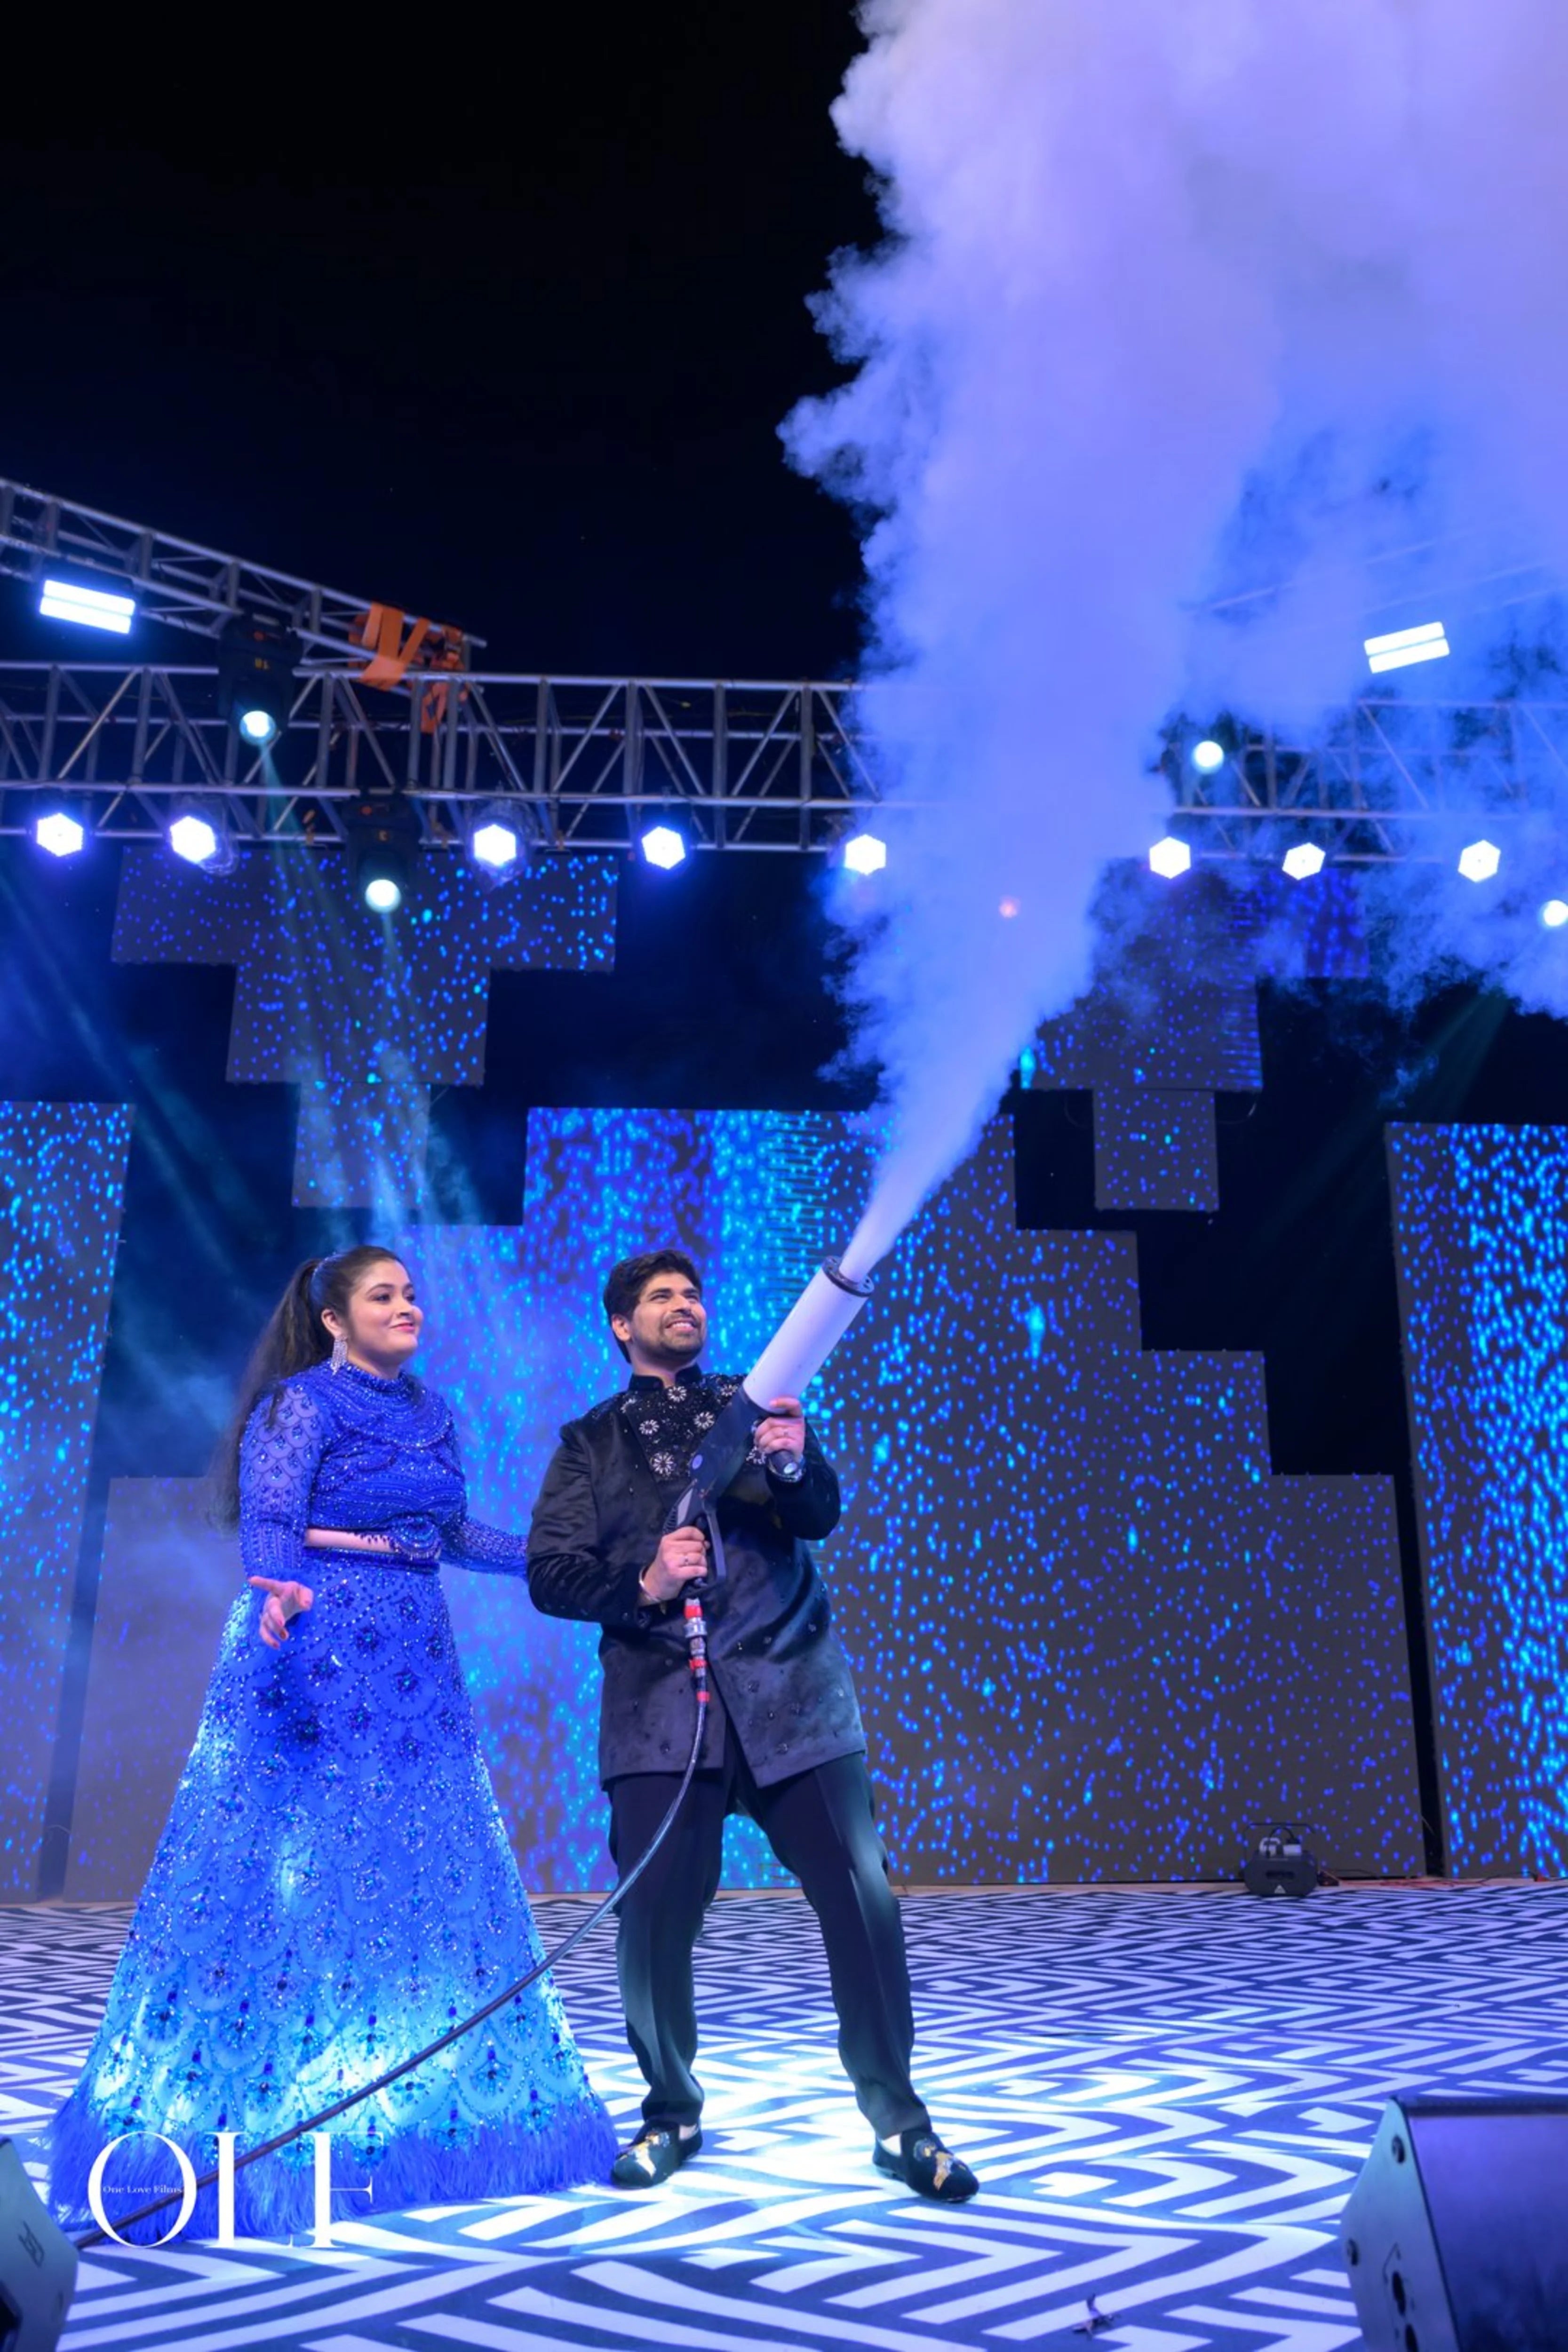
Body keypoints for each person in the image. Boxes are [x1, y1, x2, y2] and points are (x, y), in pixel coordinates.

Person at [49, 1245, 616, 2243]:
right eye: (382, 1295)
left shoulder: (432, 1411)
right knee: (294, 1865)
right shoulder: (299, 1405)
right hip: (313, 1640)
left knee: (415, 1857)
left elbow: (449, 1534)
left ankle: (417, 2118)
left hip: (412, 1651)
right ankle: (264, 2108)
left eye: (411, 1292)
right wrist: (276, 1588)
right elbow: (269, 1520)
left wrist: (555, 1561)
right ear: (332, 1319)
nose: (408, 1306)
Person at [526, 1246, 977, 2201]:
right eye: (660, 1297)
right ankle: (670, 2111)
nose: (682, 1305)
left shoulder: (757, 1405)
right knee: (651, 1922)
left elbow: (820, 1514)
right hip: (659, 1714)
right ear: (622, 1325)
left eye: (691, 1294)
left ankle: (901, 2123)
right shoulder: (587, 1443)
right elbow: (550, 1573)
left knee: (865, 1901)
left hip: (793, 1697)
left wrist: (793, 1461)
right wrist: (646, 1580)